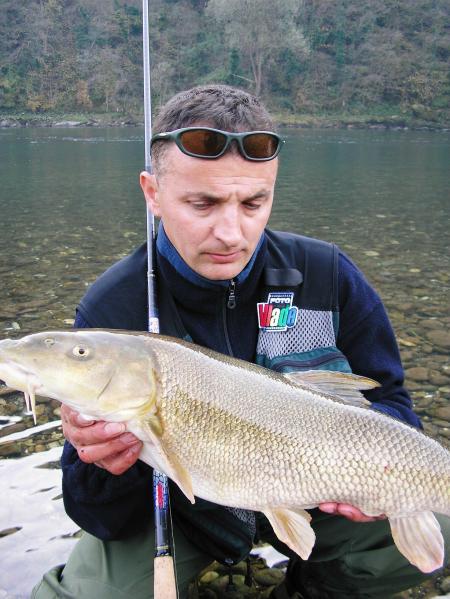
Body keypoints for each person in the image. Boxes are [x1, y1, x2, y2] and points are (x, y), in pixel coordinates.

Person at [32, 84, 449, 599]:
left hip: (318, 490)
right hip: (189, 509)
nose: (231, 233)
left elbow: (393, 407)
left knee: (439, 525)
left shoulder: (326, 274)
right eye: (202, 204)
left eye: (254, 202)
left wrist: (376, 478)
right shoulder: (113, 311)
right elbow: (97, 516)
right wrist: (101, 462)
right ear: (152, 193)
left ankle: (313, 588)